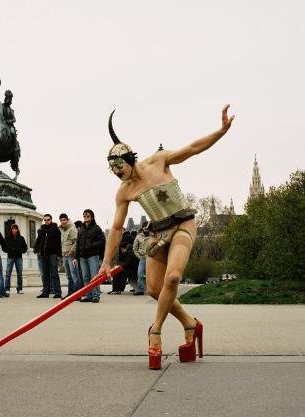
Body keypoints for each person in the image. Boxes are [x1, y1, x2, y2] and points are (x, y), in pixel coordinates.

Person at [99, 105, 234, 369]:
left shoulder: (159, 160)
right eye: (112, 170)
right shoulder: (124, 192)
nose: (117, 173)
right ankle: (190, 324)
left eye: (119, 167)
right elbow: (116, 228)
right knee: (153, 289)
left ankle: (155, 331)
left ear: (129, 159)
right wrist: (106, 261)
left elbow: (193, 148)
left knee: (173, 278)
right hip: (158, 232)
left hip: (184, 224)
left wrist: (221, 131)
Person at [73, 209, 106, 303]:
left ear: (92, 217)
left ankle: (96, 295)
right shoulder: (81, 229)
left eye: (88, 216)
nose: (86, 217)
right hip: (83, 256)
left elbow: (102, 241)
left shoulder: (96, 228)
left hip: (93, 256)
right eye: (84, 216)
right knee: (85, 277)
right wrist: (76, 257)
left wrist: (91, 245)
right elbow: (78, 243)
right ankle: (88, 295)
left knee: (94, 276)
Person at [34, 214, 62, 298]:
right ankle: (45, 292)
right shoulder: (41, 230)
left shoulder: (56, 230)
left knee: (54, 273)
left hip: (53, 254)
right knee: (45, 274)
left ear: (51, 220)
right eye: (45, 220)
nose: (46, 221)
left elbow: (59, 243)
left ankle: (58, 292)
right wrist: (37, 250)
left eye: (48, 219)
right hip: (43, 255)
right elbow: (38, 241)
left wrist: (59, 254)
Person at [59, 213, 81, 298]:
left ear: (67, 220)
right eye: (61, 220)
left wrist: (71, 252)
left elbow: (76, 242)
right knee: (69, 276)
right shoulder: (63, 230)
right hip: (65, 256)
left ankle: (77, 294)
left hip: (71, 255)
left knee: (74, 275)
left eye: (64, 220)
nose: (63, 222)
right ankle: (71, 293)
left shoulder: (72, 229)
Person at [4, 223, 28, 295]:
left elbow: (25, 247)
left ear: (17, 230)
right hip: (10, 257)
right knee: (8, 273)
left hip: (18, 257)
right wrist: (8, 250)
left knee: (19, 274)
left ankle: (19, 288)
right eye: (13, 229)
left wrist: (21, 251)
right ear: (11, 230)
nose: (14, 230)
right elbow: (4, 247)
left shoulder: (21, 238)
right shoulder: (7, 238)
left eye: (15, 229)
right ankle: (7, 289)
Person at [132, 222, 149, 295]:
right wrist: (139, 256)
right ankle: (141, 290)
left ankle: (153, 290)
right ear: (142, 228)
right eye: (145, 227)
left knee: (151, 275)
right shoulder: (138, 237)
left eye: (148, 227)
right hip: (142, 258)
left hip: (151, 258)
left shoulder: (153, 235)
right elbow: (134, 249)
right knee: (140, 274)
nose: (147, 229)